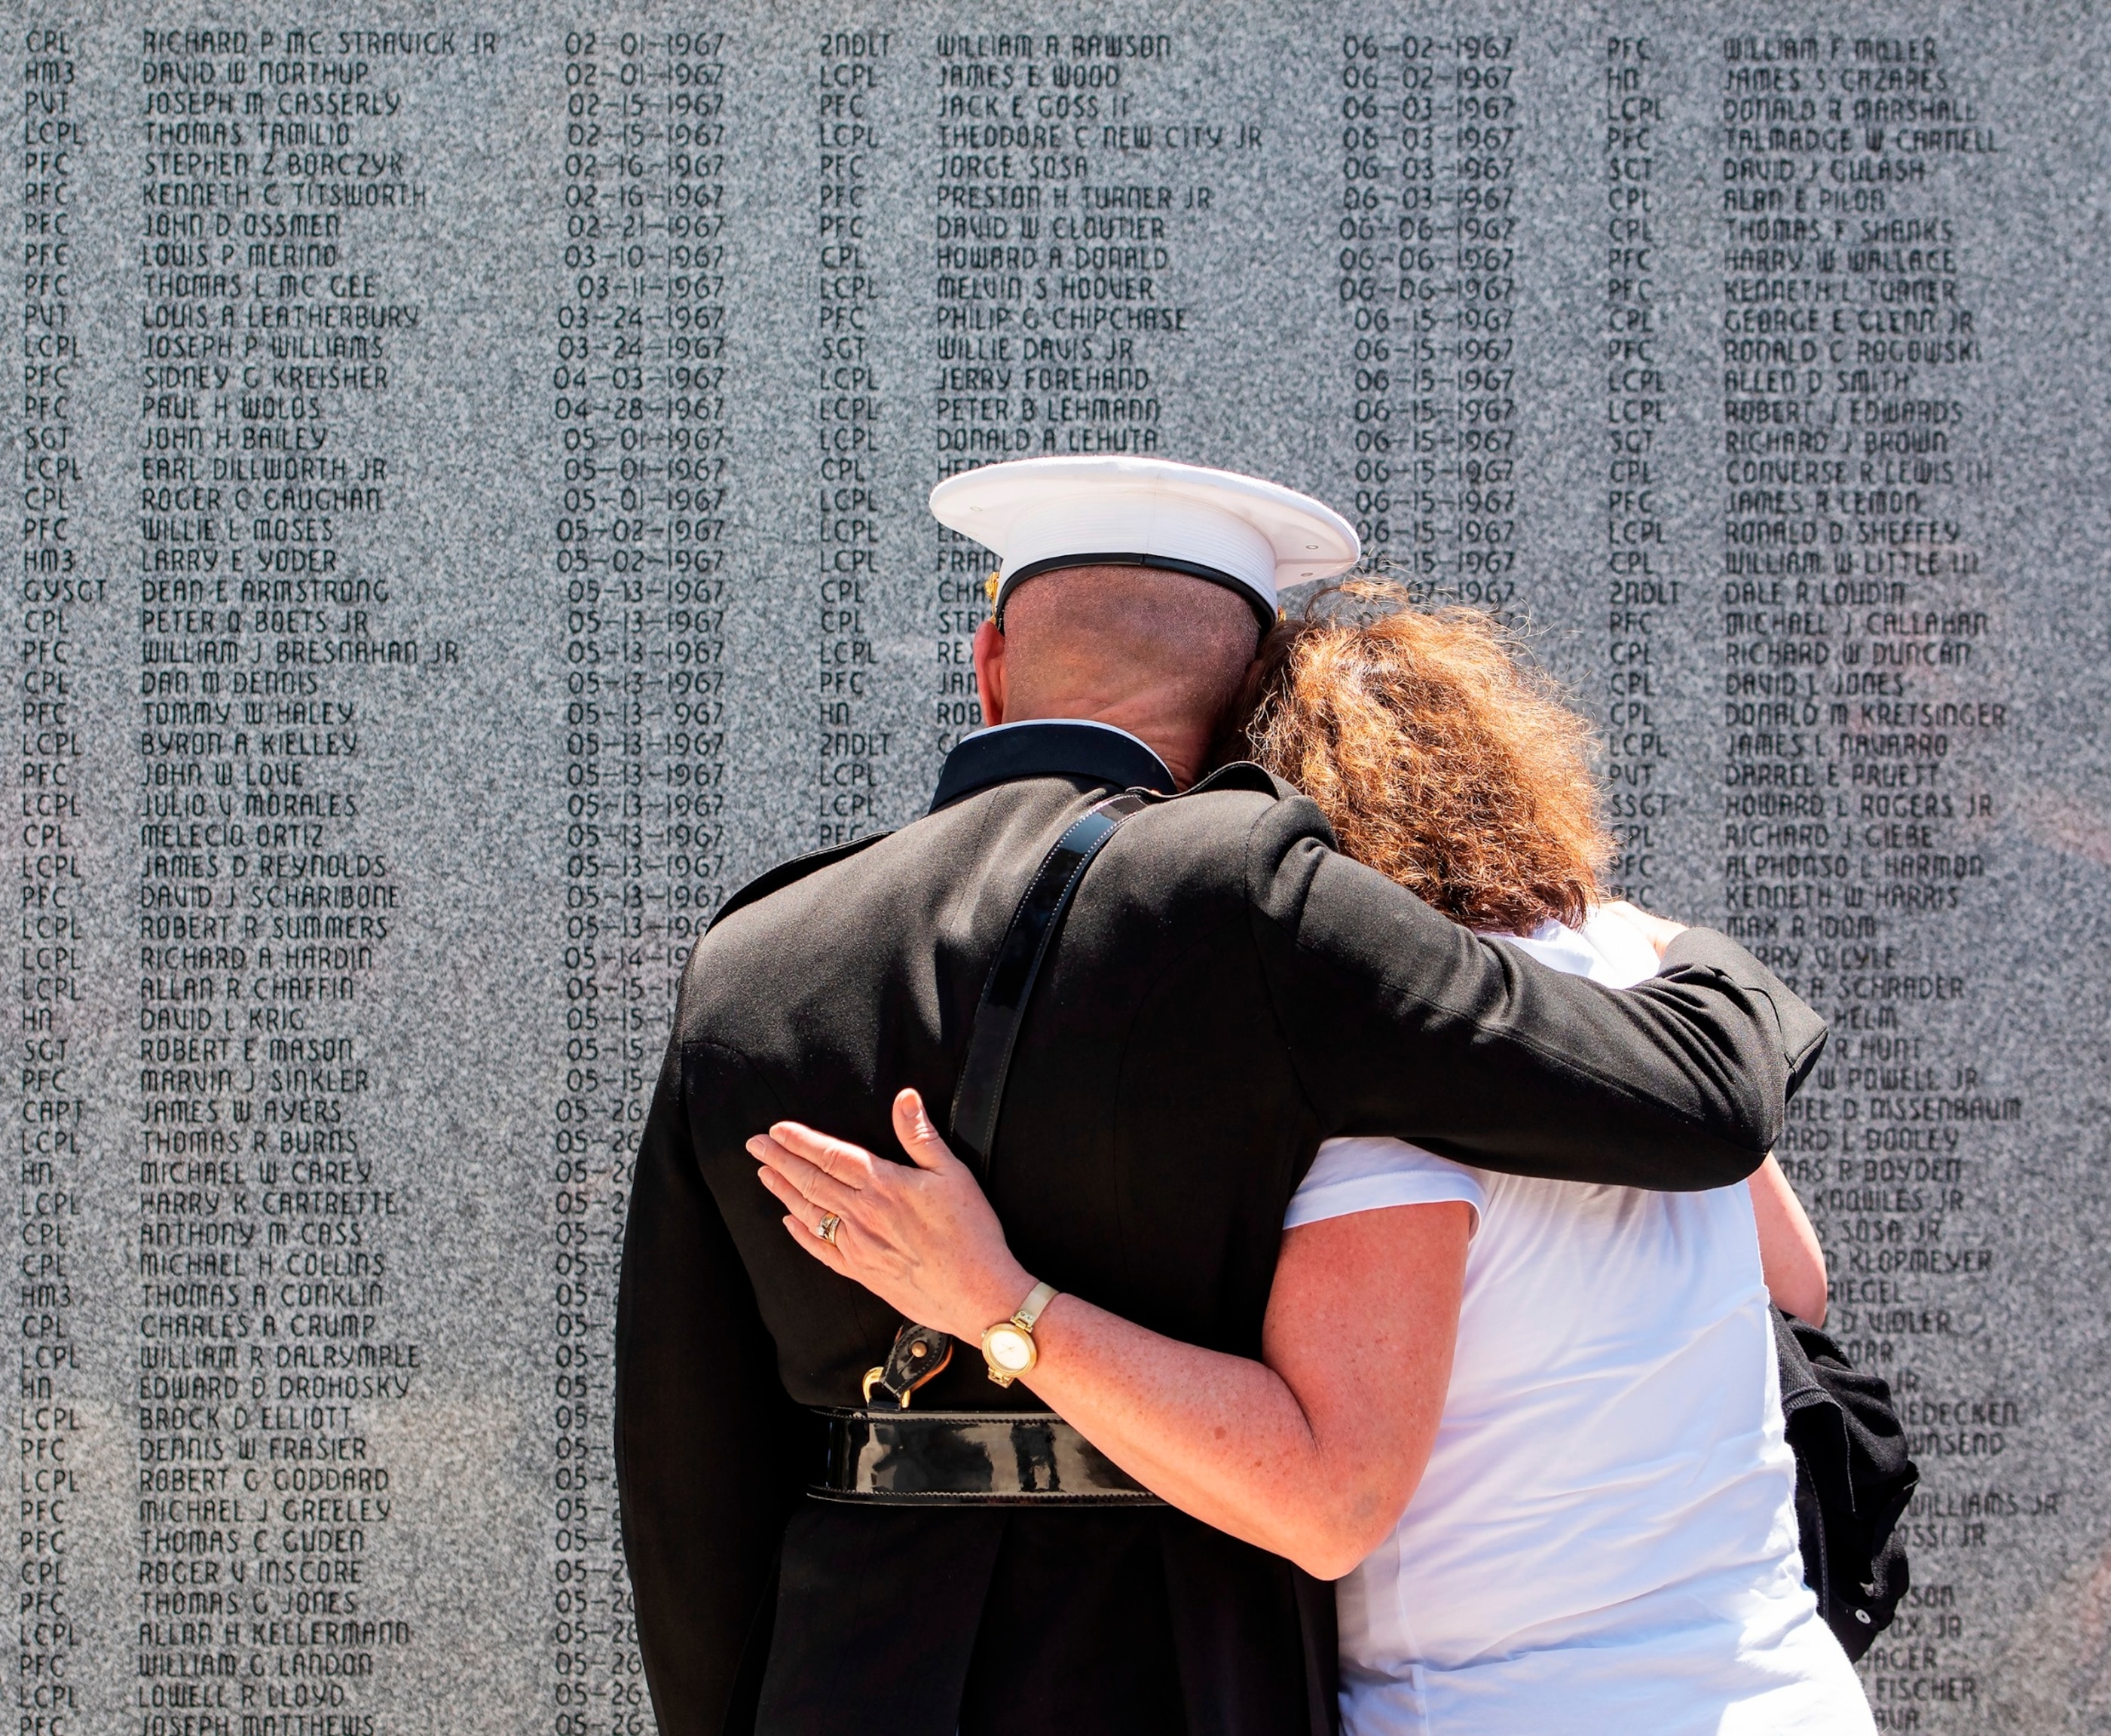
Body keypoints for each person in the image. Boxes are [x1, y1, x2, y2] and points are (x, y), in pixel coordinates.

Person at [616, 457, 1827, 1736]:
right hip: (1181, 1657)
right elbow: (1686, 1106)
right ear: (1260, 695)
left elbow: (686, 1469)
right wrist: (1690, 962)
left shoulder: (751, 953)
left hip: (846, 1667)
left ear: (987, 666)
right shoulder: (1254, 895)